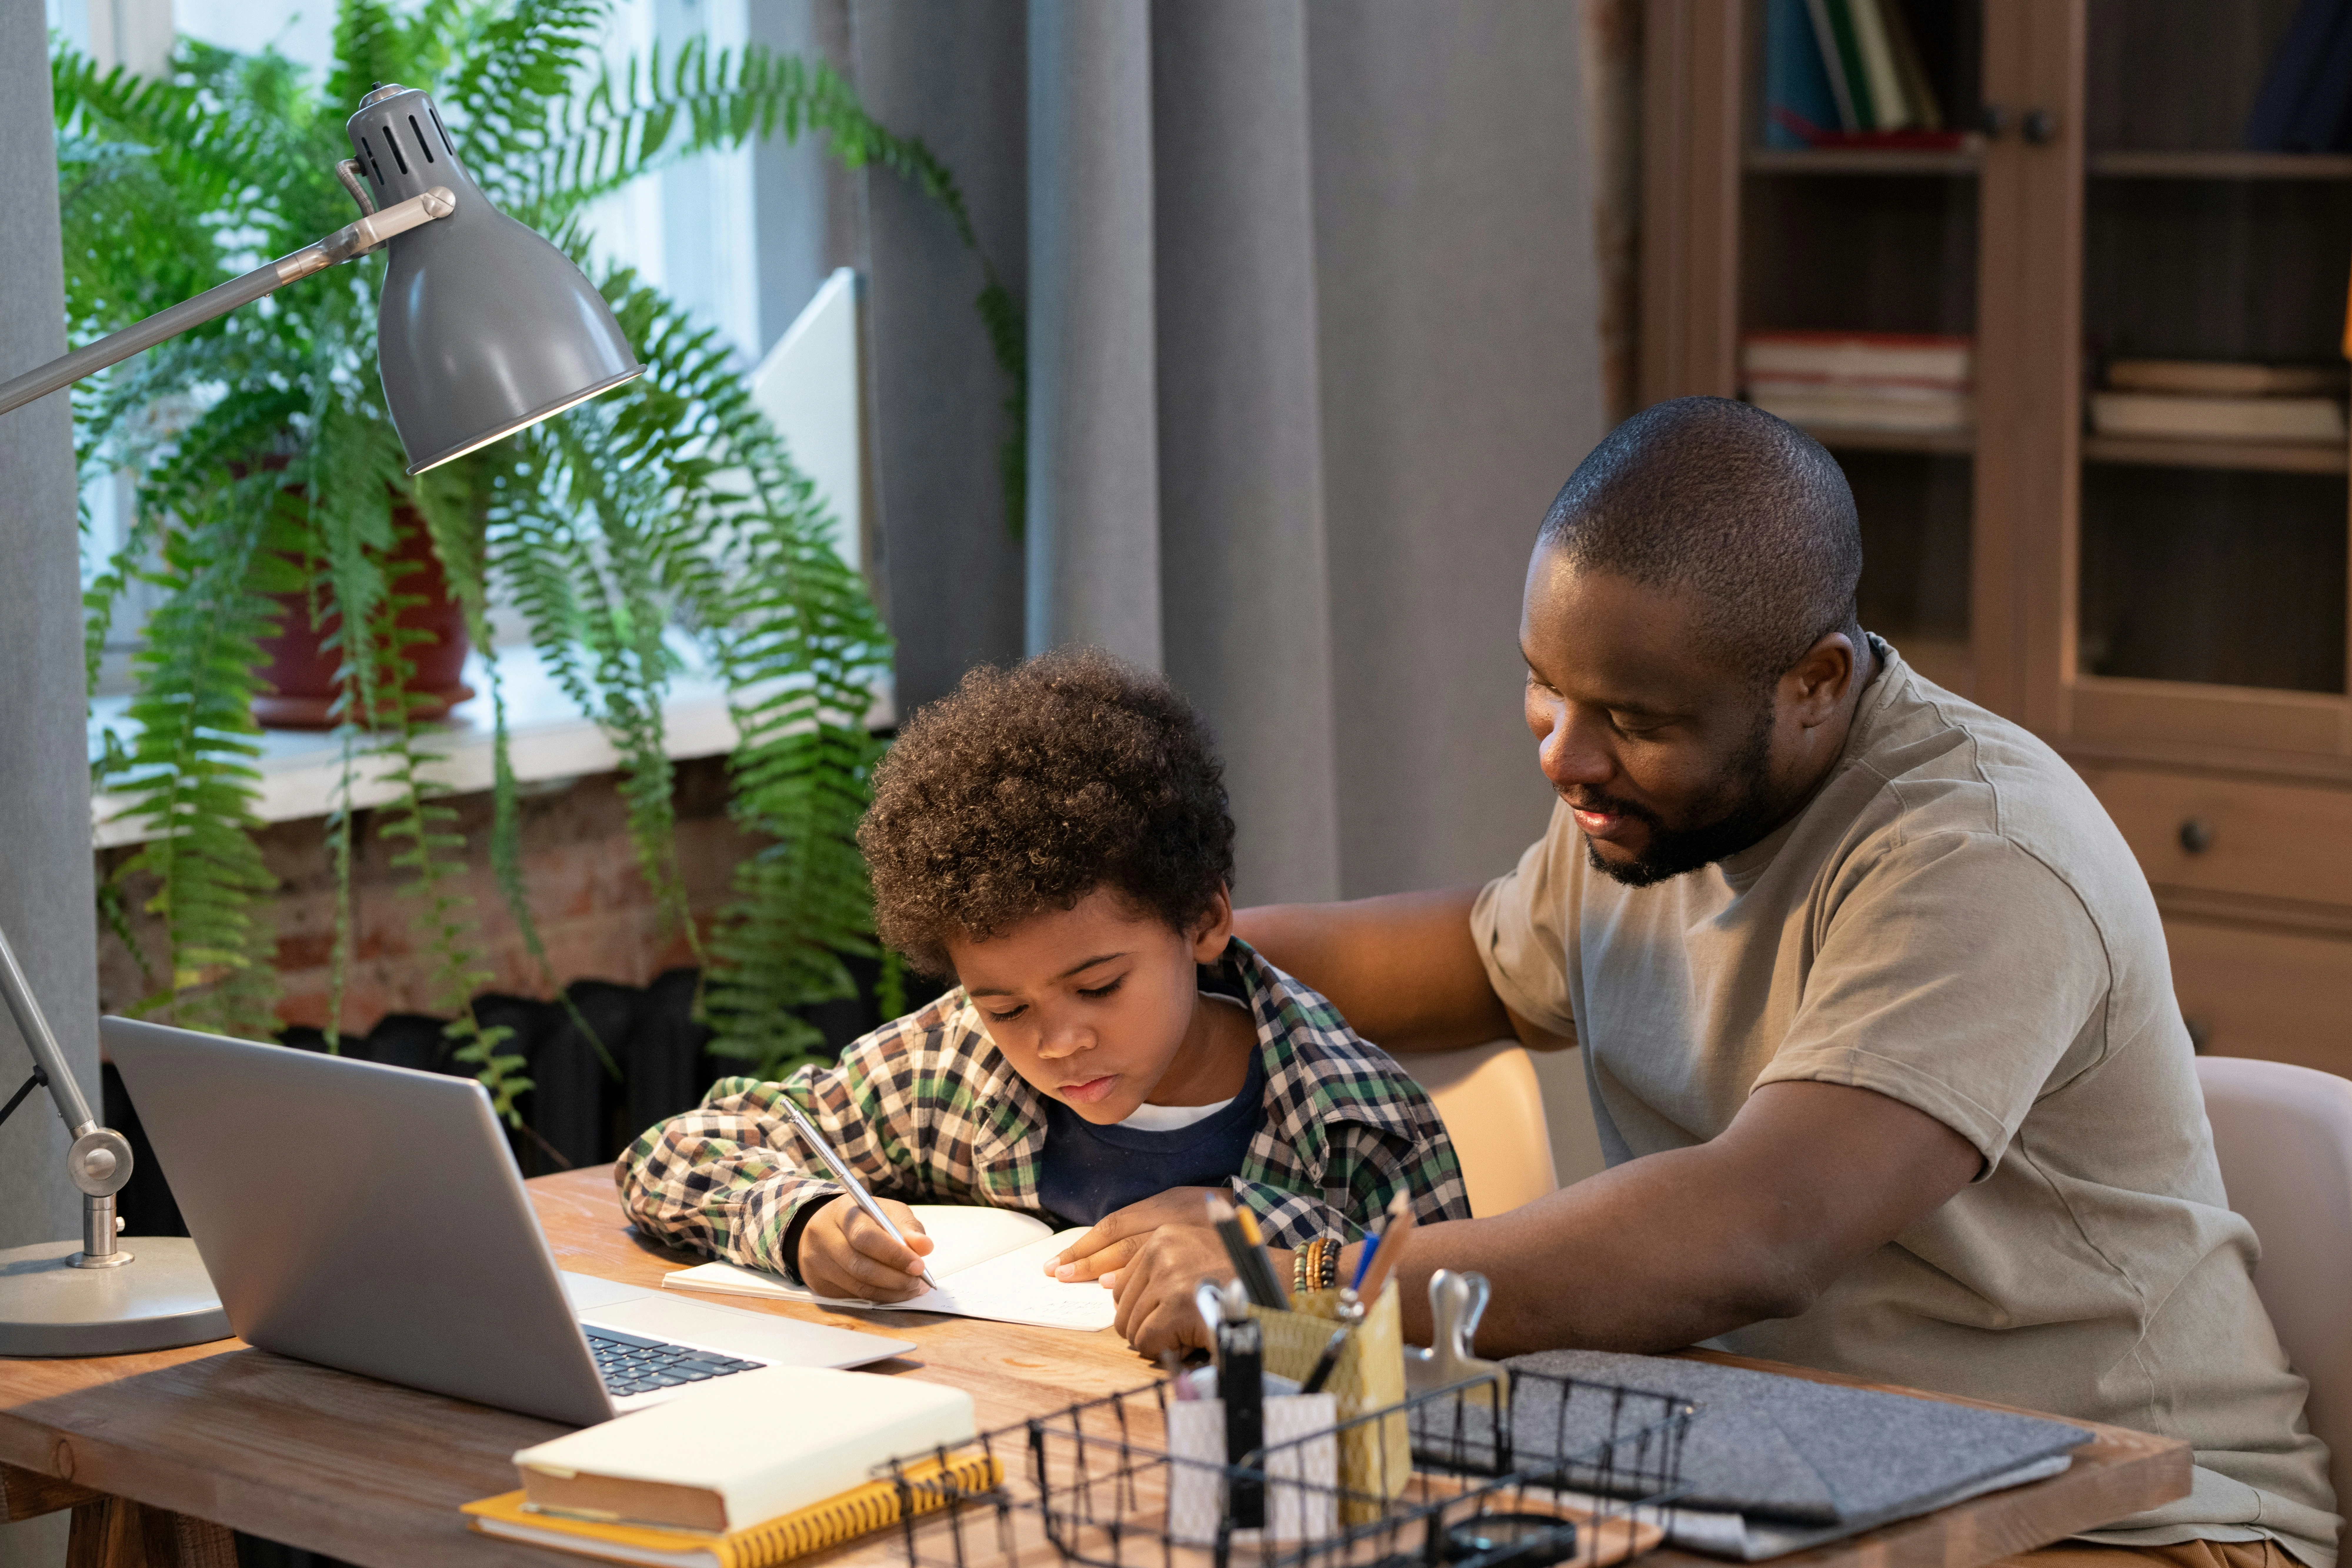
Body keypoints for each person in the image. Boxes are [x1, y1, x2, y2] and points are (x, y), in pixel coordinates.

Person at [1103, 398, 2339, 1568]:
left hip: (2141, 1515)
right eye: (1544, 682)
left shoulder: (1977, 854)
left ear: (1815, 683)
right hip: (1803, 1468)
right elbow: (1478, 957)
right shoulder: (1647, 813)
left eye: (1631, 717)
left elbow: (1764, 1225)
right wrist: (1133, 967)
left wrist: (1307, 1278)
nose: (1561, 753)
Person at [614, 647, 1469, 1352]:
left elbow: (1455, 1313)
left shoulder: (1361, 1121)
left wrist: (1262, 1233)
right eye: (1006, 1007)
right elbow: (674, 1151)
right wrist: (802, 1222)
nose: (1056, 1041)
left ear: (1203, 920)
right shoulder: (951, 1062)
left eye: (1098, 986)